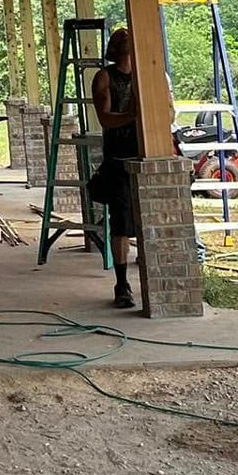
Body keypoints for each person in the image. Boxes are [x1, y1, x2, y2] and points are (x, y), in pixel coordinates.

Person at [88, 27, 140, 309]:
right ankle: (122, 283)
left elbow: (168, 110)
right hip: (119, 159)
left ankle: (149, 272)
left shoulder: (149, 74)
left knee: (148, 218)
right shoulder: (105, 78)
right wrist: (131, 115)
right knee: (120, 222)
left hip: (146, 157)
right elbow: (106, 119)